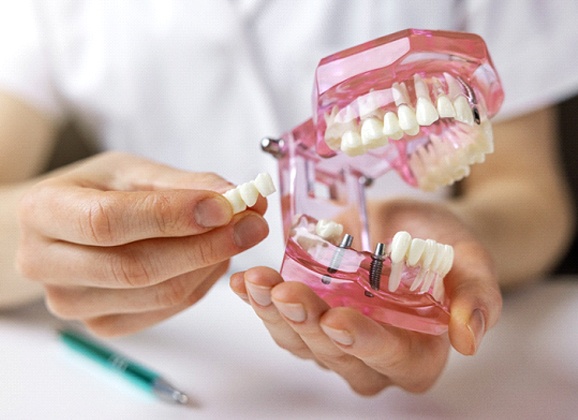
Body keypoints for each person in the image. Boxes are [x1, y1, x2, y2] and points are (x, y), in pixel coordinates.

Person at [0, 1, 576, 395]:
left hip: (489, 377)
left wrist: (464, 247)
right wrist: (43, 236)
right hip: (198, 361)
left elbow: (528, 193)